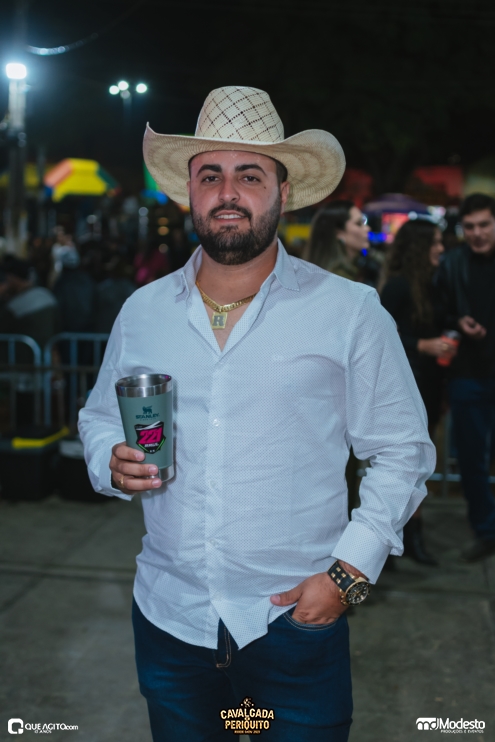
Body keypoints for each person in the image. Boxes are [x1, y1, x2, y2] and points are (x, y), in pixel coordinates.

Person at [79, 86, 435, 742]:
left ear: (282, 191)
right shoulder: (143, 311)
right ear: (189, 192)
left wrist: (349, 576)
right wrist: (110, 459)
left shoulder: (349, 311)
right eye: (209, 175)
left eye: (249, 175)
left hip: (293, 624)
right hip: (169, 618)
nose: (227, 193)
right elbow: (100, 416)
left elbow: (401, 450)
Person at [381, 219, 456, 565]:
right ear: (419, 247)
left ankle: (410, 536)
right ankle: (393, 540)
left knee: (419, 466)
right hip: (403, 385)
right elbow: (382, 336)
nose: (441, 248)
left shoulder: (434, 282)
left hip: (429, 383)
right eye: (435, 242)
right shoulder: (397, 286)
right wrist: (423, 345)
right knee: (401, 465)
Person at [438, 193, 495, 562]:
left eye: (484, 225)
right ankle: (486, 530)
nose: (477, 233)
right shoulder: (453, 262)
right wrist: (458, 320)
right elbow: (439, 310)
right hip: (468, 374)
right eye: (470, 226)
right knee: (471, 460)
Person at [304, 201, 371, 513]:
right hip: (335, 396)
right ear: (339, 234)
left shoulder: (322, 274)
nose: (366, 229)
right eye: (359, 223)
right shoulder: (339, 280)